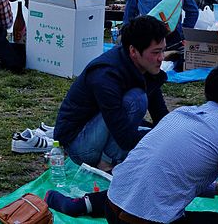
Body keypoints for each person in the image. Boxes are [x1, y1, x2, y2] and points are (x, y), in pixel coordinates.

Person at [46, 61, 218, 223]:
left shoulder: (181, 114)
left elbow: (174, 175)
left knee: (140, 183)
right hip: (145, 221)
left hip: (112, 208)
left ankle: (84, 204)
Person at [51, 15, 169, 171]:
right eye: (155, 52)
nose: (161, 58)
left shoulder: (144, 68)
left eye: (163, 51)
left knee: (157, 134)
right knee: (137, 100)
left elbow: (160, 114)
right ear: (133, 50)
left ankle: (113, 158)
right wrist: (160, 138)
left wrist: (172, 135)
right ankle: (107, 164)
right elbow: (123, 136)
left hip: (105, 130)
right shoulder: (106, 74)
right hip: (79, 145)